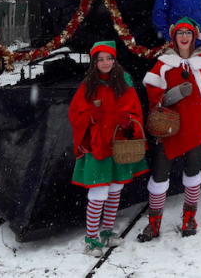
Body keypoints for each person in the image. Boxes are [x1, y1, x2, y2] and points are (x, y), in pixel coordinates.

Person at [138, 17, 201, 241]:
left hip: (196, 128)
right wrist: (175, 94)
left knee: (193, 175)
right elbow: (154, 97)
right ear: (174, 37)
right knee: (159, 176)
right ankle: (154, 222)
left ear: (194, 37)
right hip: (169, 129)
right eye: (180, 33)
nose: (184, 37)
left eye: (188, 33)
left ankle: (189, 217)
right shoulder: (164, 64)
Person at [68, 41, 148, 257]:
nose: (105, 62)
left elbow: (136, 111)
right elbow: (74, 114)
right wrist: (90, 117)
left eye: (109, 58)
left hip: (119, 145)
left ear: (115, 60)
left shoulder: (124, 84)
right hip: (98, 146)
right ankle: (91, 238)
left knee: (114, 190)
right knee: (98, 192)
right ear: (94, 62)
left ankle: (107, 232)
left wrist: (128, 122)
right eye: (100, 59)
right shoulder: (88, 86)